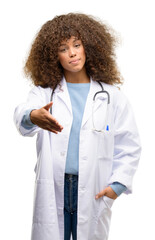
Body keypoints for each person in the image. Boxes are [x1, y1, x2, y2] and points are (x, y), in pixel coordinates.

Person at [14, 13, 141, 240]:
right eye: (63, 48)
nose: (72, 52)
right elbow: (23, 115)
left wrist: (118, 186)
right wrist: (33, 116)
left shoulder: (111, 96)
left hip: (93, 187)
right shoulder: (45, 93)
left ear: (89, 47)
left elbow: (129, 145)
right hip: (55, 186)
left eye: (77, 45)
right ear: (54, 56)